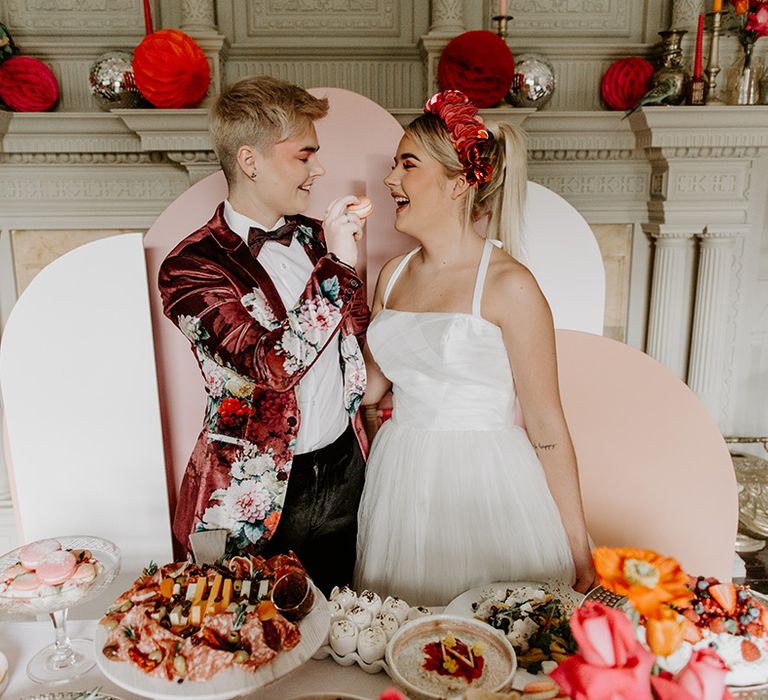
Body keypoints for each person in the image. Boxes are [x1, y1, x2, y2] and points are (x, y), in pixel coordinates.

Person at [354, 89, 594, 606]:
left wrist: (578, 544)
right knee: (404, 638)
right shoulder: (392, 276)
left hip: (484, 479)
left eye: (407, 165)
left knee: (489, 640)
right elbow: (369, 389)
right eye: (394, 164)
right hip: (402, 478)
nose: (390, 179)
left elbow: (547, 425)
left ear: (459, 183)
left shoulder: (511, 285)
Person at [158, 75, 370, 594]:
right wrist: (338, 266)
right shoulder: (189, 268)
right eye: (304, 155)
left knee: (338, 632)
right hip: (253, 494)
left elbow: (355, 339)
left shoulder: (319, 237)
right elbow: (269, 367)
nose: (318, 169)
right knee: (251, 637)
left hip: (344, 469)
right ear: (250, 161)